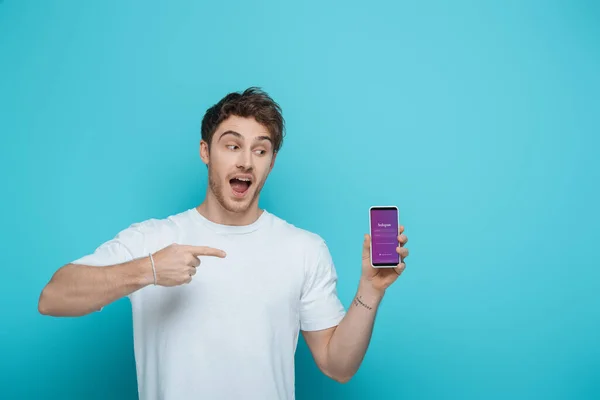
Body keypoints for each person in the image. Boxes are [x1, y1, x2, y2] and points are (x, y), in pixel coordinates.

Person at [38, 87, 410, 400]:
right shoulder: (152, 238)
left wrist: (370, 292)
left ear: (271, 162)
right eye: (232, 146)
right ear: (205, 151)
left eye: (260, 150)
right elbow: (53, 297)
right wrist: (148, 269)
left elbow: (338, 366)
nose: (246, 161)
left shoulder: (304, 249)